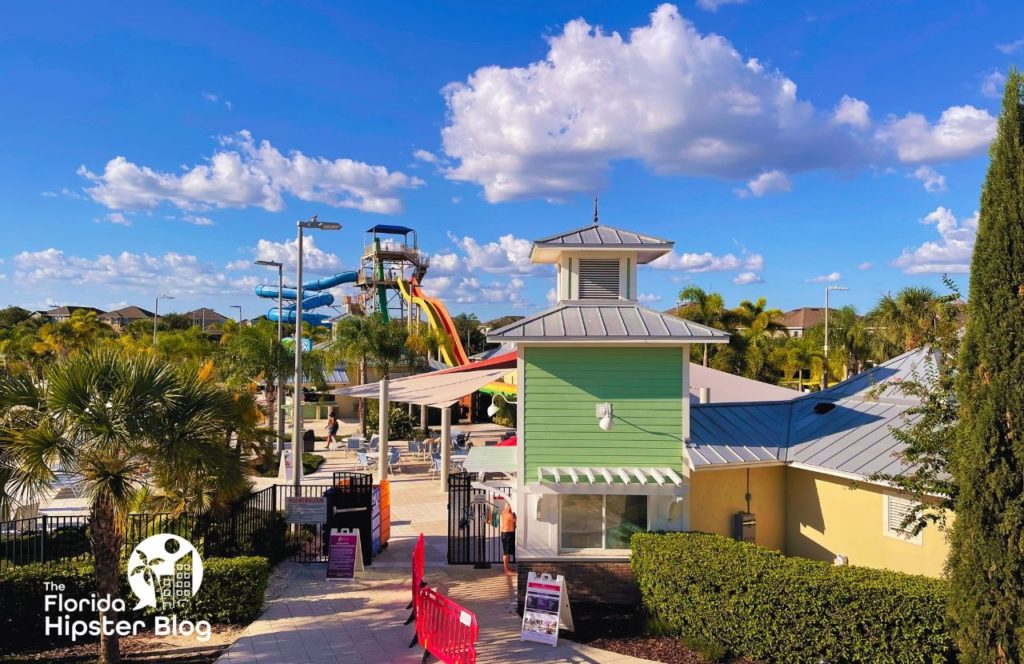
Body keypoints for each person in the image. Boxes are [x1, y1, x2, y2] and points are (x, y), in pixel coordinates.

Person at [500, 499, 517, 576]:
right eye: (511, 505)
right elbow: (515, 520)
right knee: (506, 552)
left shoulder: (504, 512)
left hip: (506, 533)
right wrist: (515, 517)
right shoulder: (509, 514)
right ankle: (506, 570)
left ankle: (507, 567)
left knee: (507, 552)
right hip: (507, 534)